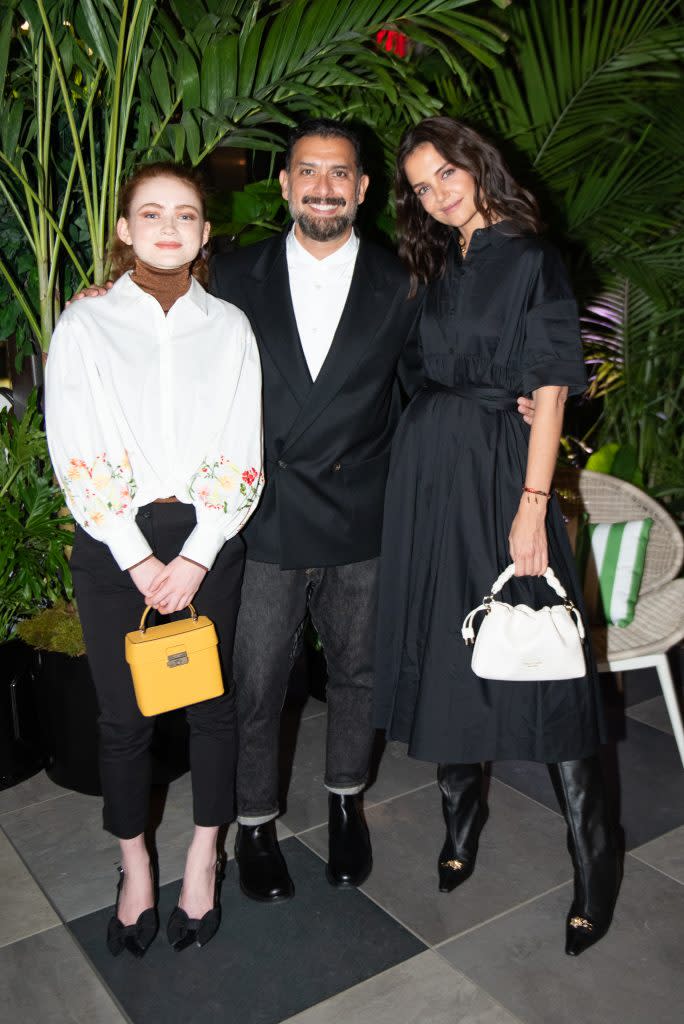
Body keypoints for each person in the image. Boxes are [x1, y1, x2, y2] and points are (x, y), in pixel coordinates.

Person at [374, 117, 621, 957]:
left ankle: (595, 861)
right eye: (421, 185)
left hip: (503, 475)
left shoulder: (530, 257)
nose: (437, 193)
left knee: (543, 656)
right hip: (431, 474)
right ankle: (461, 819)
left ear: (479, 166)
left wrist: (531, 500)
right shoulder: (437, 260)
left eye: (447, 173)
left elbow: (550, 385)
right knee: (450, 650)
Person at [45, 163, 263, 956]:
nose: (169, 227)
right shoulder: (86, 325)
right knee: (122, 717)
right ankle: (134, 863)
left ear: (205, 234)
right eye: (151, 214)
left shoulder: (230, 326)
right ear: (125, 231)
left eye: (186, 215)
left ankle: (205, 854)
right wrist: (138, 560)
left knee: (210, 707)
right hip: (114, 545)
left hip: (208, 540)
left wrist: (199, 554)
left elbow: (243, 447)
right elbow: (76, 446)